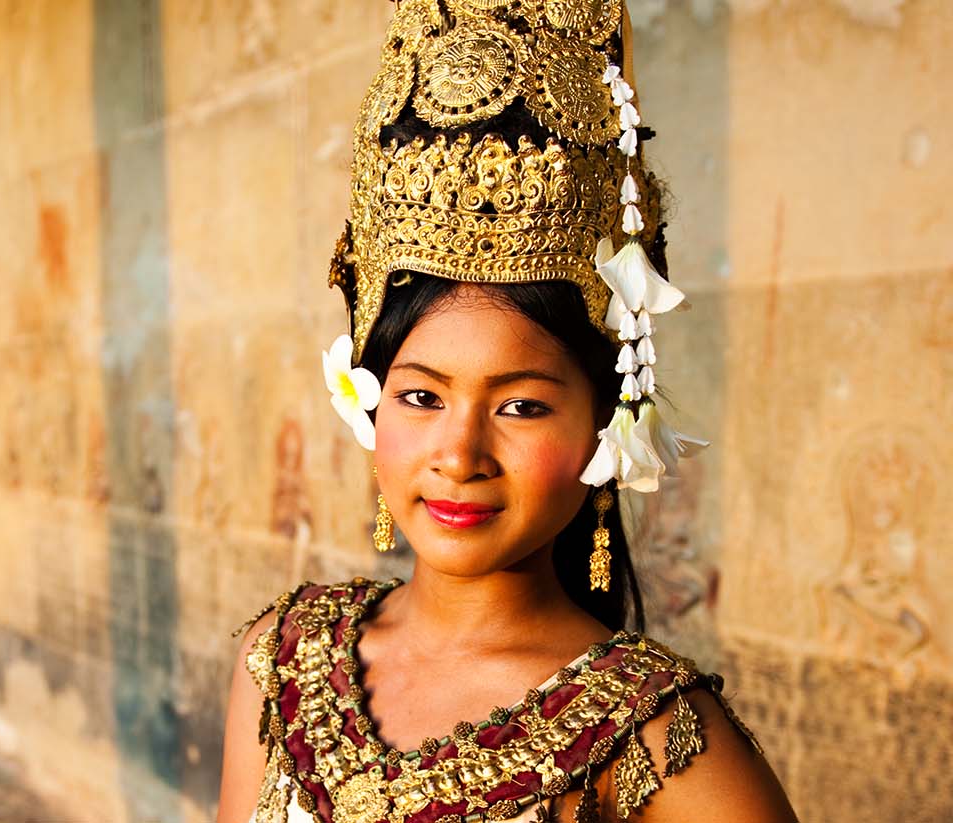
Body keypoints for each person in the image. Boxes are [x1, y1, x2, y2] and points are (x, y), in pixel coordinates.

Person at [216, 3, 798, 822]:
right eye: (422, 395)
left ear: (608, 419)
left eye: (521, 406)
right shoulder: (281, 661)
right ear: (370, 399)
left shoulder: (660, 743)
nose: (460, 453)